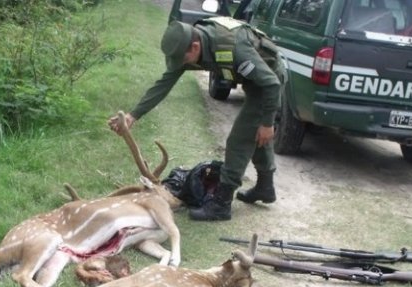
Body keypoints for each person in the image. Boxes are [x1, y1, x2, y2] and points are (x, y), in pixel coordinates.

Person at [108, 17, 286, 221]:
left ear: (194, 47)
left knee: (239, 140)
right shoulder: (192, 44)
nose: (181, 64)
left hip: (268, 84)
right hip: (255, 82)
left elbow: (271, 84)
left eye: (183, 59)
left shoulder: (233, 47)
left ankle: (221, 204)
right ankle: (265, 187)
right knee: (253, 134)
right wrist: (133, 115)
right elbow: (164, 83)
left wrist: (267, 123)